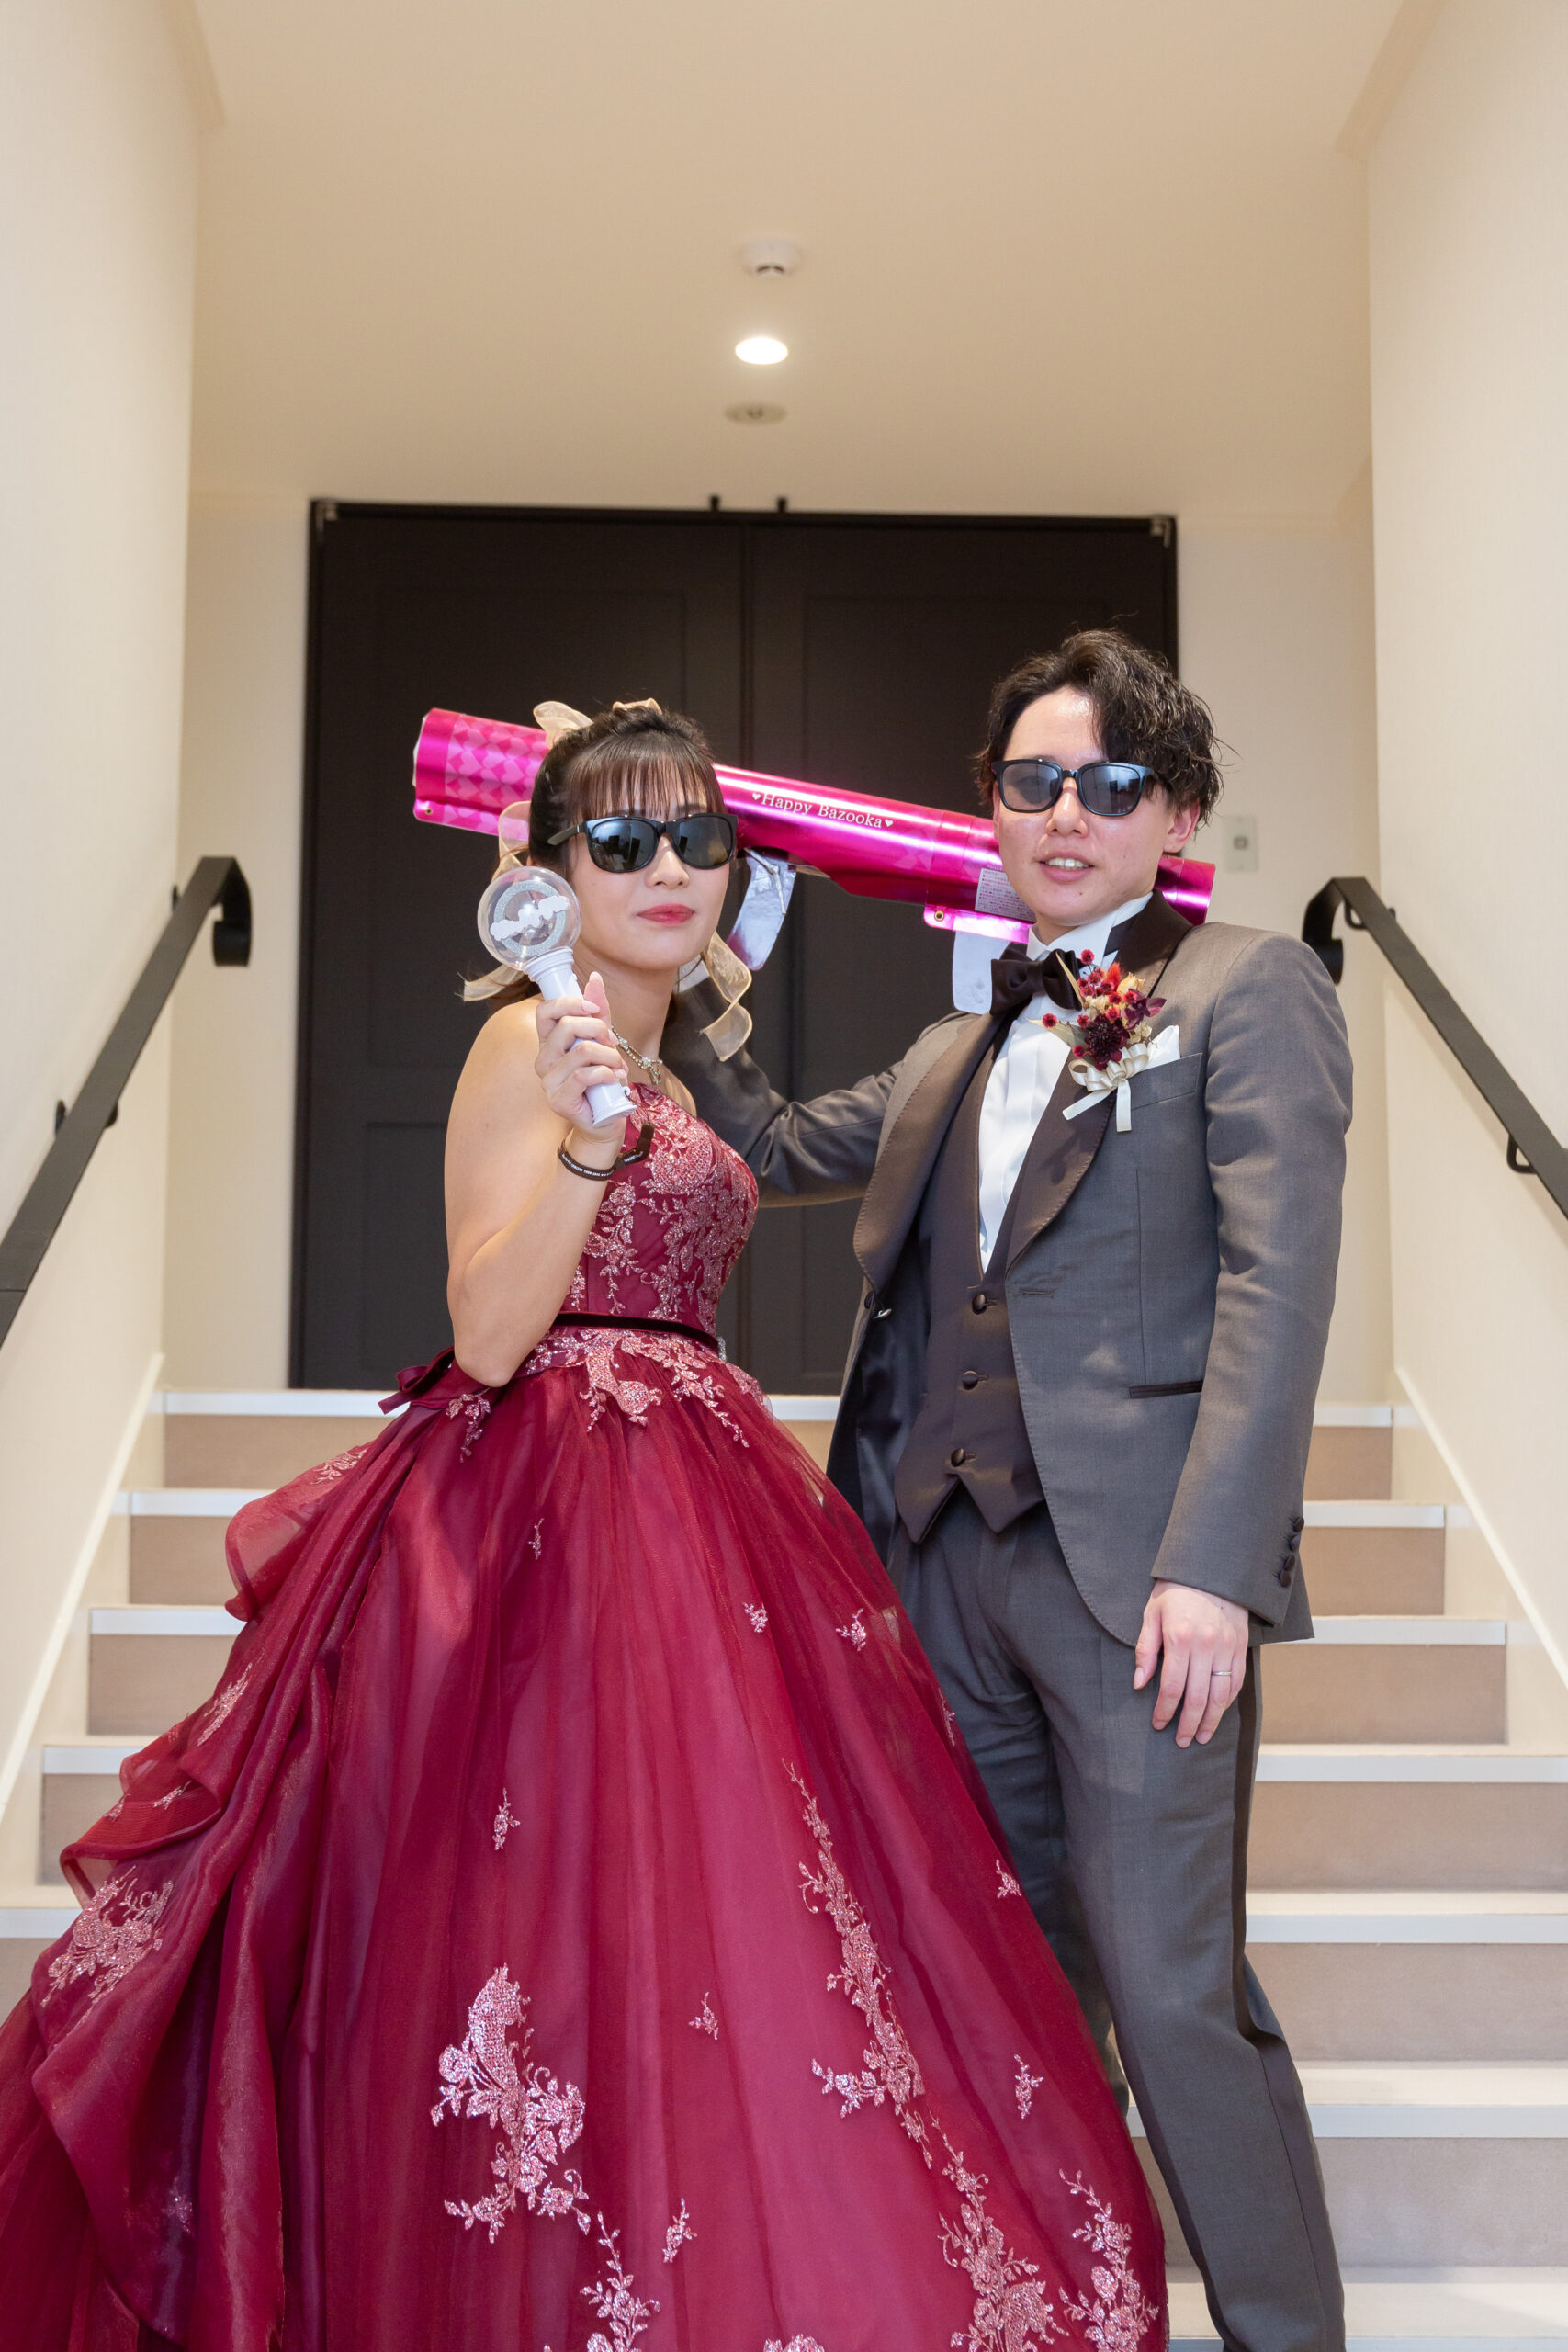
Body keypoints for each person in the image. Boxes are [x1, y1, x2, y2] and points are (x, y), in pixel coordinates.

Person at [0, 701, 1163, 2352]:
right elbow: (488, 1334)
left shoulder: (667, 1053)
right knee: (544, 1930)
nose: (668, 866)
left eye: (699, 837)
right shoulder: (523, 1045)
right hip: (551, 1503)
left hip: (700, 1480)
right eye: (620, 840)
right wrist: (587, 1142)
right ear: (549, 874)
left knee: (718, 1934)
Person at [662, 633, 1353, 2352]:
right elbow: (760, 1143)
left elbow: (1277, 1290)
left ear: (1174, 814)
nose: (1067, 812)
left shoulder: (1249, 989)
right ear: (991, 806)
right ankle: (1074, 2316)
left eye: (1111, 785)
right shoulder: (948, 1053)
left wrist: (1218, 1565)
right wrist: (689, 950)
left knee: (1172, 1994)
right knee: (1017, 1999)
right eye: (1035, 781)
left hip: (1139, 1588)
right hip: (932, 1574)